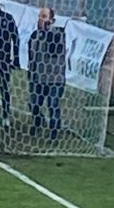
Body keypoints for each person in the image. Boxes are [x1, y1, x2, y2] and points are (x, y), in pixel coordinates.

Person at [28, 7, 66, 140]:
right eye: (39, 16)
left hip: (54, 79)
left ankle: (54, 133)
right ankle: (38, 123)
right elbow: (31, 56)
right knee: (34, 104)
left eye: (44, 16)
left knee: (53, 105)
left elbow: (54, 50)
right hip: (37, 77)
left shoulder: (58, 35)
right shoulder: (34, 36)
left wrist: (47, 31)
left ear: (52, 20)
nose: (40, 19)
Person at [0, 6, 20, 127]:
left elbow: (16, 38)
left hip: (4, 59)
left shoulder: (7, 18)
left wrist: (16, 58)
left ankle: (5, 114)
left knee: (4, 87)